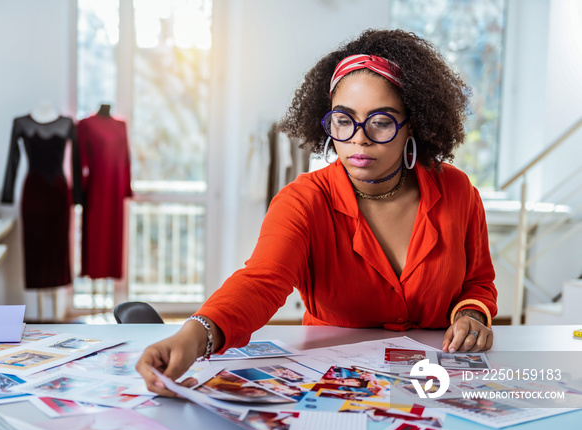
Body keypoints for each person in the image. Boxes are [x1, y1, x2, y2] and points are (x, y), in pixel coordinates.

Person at [137, 29, 497, 396]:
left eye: (382, 122)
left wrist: (471, 316)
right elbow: (261, 282)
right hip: (337, 386)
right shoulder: (303, 200)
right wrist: (196, 334)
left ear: (413, 125)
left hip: (437, 384)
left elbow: (478, 282)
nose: (359, 138)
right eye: (344, 120)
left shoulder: (456, 190)